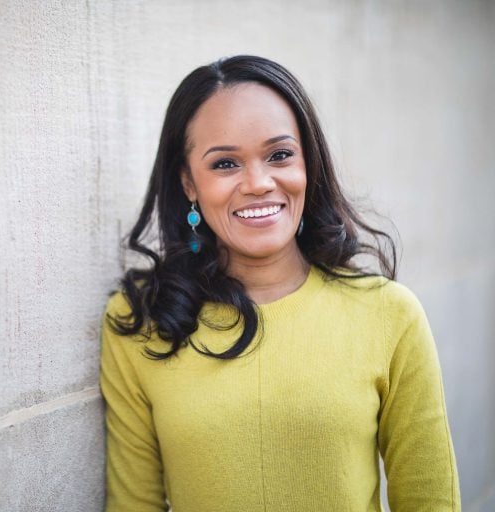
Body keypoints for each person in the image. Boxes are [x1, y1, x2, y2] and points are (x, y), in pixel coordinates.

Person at [99, 55, 460, 512]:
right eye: (226, 163)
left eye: (279, 155)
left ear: (309, 164)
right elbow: (134, 505)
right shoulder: (139, 322)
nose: (258, 182)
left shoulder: (390, 314)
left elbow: (430, 501)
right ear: (188, 181)